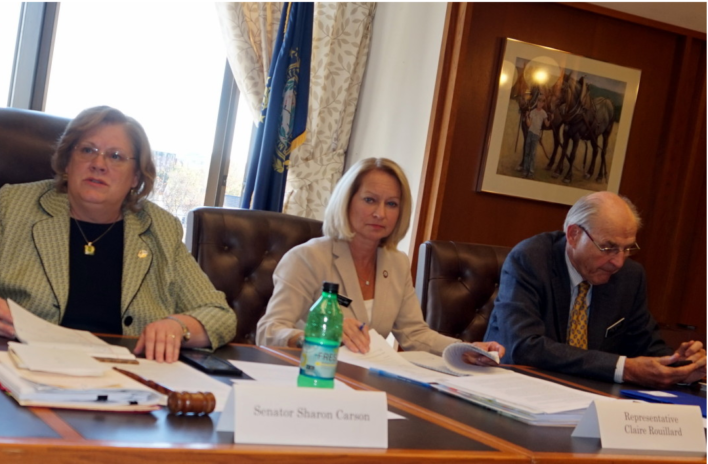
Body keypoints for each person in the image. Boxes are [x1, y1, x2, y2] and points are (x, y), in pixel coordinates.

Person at [0, 106, 236, 362]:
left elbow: (219, 314)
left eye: (116, 156)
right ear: (68, 162)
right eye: (87, 150)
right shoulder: (17, 208)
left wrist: (178, 326)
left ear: (135, 177)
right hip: (23, 368)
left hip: (126, 382)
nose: (99, 164)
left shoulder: (160, 229)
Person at [256, 157, 505, 363]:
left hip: (364, 379)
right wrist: (317, 333)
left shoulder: (396, 263)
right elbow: (268, 331)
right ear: (346, 201)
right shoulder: (308, 258)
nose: (380, 213)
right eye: (369, 200)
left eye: (392, 204)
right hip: (309, 374)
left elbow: (414, 334)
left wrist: (465, 349)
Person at [484, 191, 706, 388]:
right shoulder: (530, 260)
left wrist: (680, 365)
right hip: (516, 388)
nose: (618, 262)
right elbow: (524, 347)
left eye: (627, 248)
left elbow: (645, 345)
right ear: (573, 235)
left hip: (590, 396)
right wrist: (623, 368)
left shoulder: (629, 276)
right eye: (609, 247)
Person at [521, 92, 550, 179]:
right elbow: (529, 125)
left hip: (536, 135)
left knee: (533, 154)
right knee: (527, 153)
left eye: (542, 102)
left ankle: (531, 172)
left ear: (543, 103)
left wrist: (551, 119)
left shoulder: (544, 113)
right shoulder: (532, 112)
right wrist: (527, 117)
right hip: (530, 133)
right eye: (539, 101)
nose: (540, 103)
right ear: (537, 102)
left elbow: (547, 124)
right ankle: (525, 170)